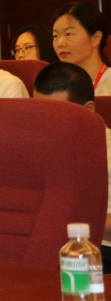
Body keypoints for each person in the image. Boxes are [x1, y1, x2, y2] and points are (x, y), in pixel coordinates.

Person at [32, 61, 111, 258]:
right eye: (39, 112)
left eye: (57, 114)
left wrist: (70, 222)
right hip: (44, 244)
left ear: (88, 110)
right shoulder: (34, 150)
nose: (47, 124)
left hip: (100, 250)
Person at [52, 1, 111, 95]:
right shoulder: (55, 85)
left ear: (95, 38)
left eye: (68, 34)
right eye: (55, 36)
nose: (60, 44)